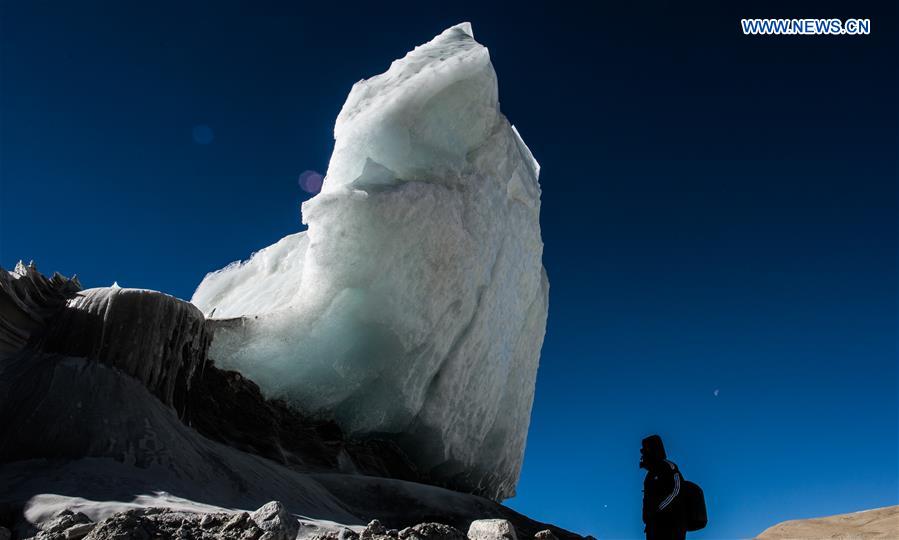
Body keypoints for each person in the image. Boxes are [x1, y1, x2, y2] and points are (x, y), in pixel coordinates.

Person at [640, 434, 687, 540]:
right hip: (653, 528)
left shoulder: (668, 466)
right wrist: (647, 517)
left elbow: (676, 490)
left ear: (652, 450)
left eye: (645, 451)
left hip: (672, 525)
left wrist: (658, 509)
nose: (642, 456)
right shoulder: (649, 476)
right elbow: (647, 500)